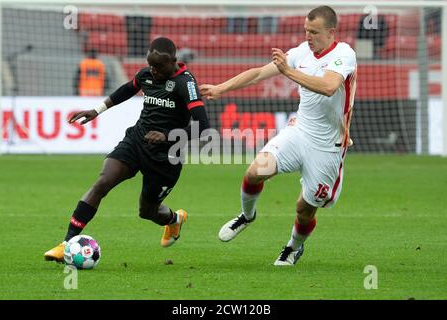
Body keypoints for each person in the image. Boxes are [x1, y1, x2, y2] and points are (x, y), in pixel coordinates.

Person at [200, 6, 357, 266]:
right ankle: (246, 215)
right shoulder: (299, 53)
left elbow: (329, 87)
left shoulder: (344, 54)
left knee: (304, 210)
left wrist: (288, 72)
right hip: (299, 131)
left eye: (314, 32)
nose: (308, 36)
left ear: (331, 32)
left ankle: (293, 247)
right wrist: (221, 88)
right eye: (306, 30)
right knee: (254, 171)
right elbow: (259, 74)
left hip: (328, 146)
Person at [45, 37, 210, 262]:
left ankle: (174, 220)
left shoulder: (186, 83)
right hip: (136, 141)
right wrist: (97, 110)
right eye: (150, 65)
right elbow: (127, 89)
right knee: (103, 182)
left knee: (147, 211)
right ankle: (66, 243)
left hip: (166, 157)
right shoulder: (147, 74)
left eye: (159, 66)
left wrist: (167, 137)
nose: (153, 70)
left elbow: (204, 127)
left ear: (173, 61)